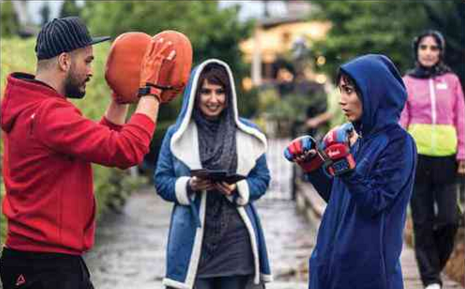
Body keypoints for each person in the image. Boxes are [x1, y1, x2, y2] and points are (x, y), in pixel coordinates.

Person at [0, 16, 176, 289]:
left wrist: (119, 100)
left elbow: (100, 146)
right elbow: (126, 151)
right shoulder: (49, 114)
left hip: (40, 262)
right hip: (46, 268)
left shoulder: (34, 105)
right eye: (88, 61)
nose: (91, 71)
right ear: (65, 61)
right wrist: (152, 92)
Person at [284, 54, 417, 289]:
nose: (342, 100)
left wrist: (345, 167)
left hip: (368, 275)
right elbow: (339, 198)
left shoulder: (398, 143)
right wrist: (313, 166)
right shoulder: (359, 140)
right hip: (331, 266)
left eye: (349, 91)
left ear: (373, 92)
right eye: (340, 91)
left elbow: (374, 202)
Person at [154, 59, 272, 289]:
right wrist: (190, 185)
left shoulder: (248, 134)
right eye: (206, 92)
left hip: (237, 244)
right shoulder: (177, 135)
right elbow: (161, 181)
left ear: (229, 95)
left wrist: (239, 188)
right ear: (194, 94)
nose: (213, 99)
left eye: (220, 92)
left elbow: (262, 178)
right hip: (192, 244)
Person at [400, 30, 465, 289]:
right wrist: (399, 153)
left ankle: (432, 266)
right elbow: (402, 118)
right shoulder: (407, 81)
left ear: (440, 52)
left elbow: (461, 117)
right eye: (423, 47)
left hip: (447, 158)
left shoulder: (451, 80)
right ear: (417, 51)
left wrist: (463, 153)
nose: (428, 52)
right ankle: (430, 279)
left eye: (433, 48)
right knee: (423, 219)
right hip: (418, 158)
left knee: (450, 218)